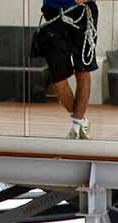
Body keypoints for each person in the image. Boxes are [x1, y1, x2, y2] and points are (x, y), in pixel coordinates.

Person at [33, 0, 98, 139]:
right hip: (53, 14)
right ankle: (81, 120)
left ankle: (76, 126)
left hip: (82, 11)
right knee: (58, 79)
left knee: (82, 70)